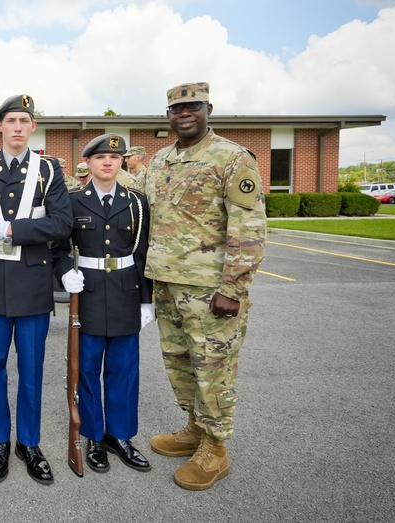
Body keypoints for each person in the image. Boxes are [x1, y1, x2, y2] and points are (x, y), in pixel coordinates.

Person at [143, 82, 266, 491]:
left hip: (210, 289)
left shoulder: (231, 157)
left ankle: (216, 448)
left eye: (192, 106)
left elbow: (248, 228)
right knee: (179, 363)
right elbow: (137, 198)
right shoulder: (161, 159)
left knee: (213, 368)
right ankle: (194, 428)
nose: (185, 113)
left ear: (208, 108)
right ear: (168, 115)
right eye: (177, 108)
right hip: (166, 284)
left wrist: (232, 288)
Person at [0, 94, 73, 485]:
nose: (17, 126)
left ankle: (28, 443)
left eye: (24, 121)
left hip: (32, 281)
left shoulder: (49, 170)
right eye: (10, 120)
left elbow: (62, 223)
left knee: (31, 369)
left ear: (32, 127)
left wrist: (12, 229)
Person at [53, 134, 153, 475]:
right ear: (89, 163)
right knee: (89, 369)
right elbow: (57, 248)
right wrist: (66, 273)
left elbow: (142, 253)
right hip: (89, 293)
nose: (107, 163)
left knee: (124, 370)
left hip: (126, 292)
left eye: (114, 157)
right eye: (99, 158)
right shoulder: (72, 200)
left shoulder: (137, 203)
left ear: (122, 162)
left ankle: (120, 436)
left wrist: (146, 301)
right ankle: (94, 436)